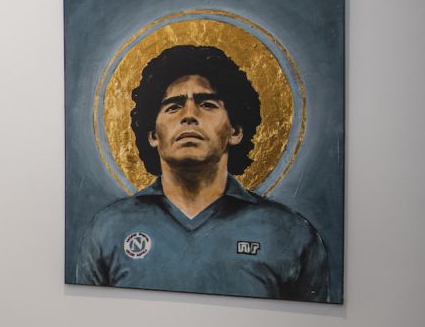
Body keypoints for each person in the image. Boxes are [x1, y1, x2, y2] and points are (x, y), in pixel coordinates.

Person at [75, 44, 330, 301]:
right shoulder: (109, 228)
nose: (189, 115)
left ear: (235, 131)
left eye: (207, 104)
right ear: (153, 135)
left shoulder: (290, 232)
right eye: (173, 106)